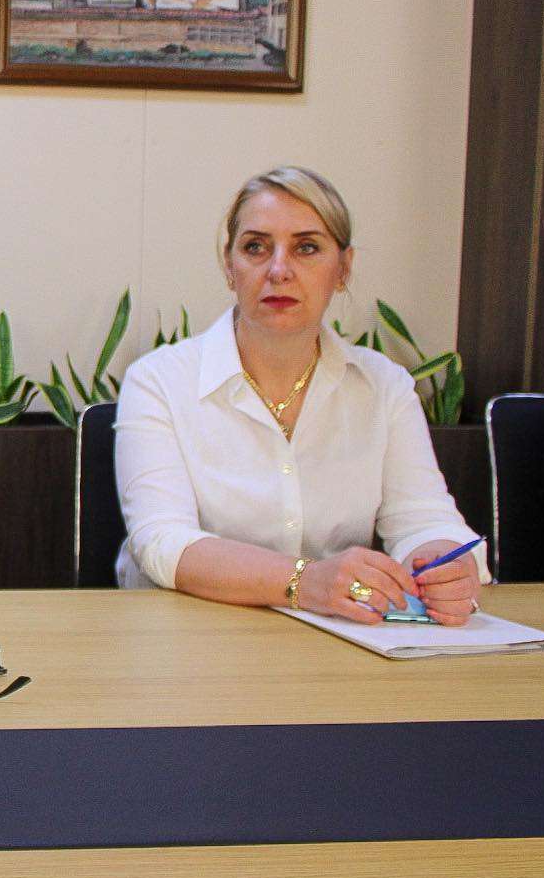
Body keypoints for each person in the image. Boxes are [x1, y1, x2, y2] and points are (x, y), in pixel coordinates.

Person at [114, 165, 487, 624]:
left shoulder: (383, 386)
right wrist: (305, 581)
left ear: (343, 268)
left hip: (337, 636)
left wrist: (446, 566)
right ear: (230, 266)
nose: (279, 271)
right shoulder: (159, 381)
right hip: (188, 632)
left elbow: (424, 519)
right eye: (256, 247)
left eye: (306, 247)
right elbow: (162, 542)